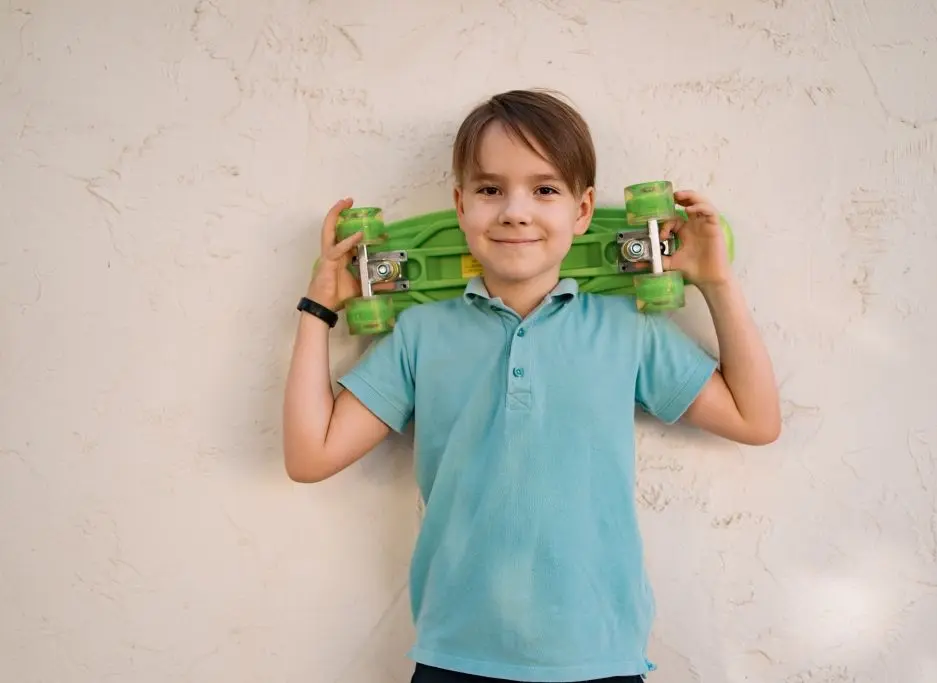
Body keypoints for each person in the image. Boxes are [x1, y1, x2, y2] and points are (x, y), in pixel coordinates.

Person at [283, 89, 780, 683]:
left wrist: (716, 284)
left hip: (600, 656)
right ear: (460, 204)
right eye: (491, 189)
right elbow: (310, 455)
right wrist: (318, 308)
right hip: (455, 656)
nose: (515, 211)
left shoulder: (628, 331)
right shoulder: (422, 335)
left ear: (584, 210)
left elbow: (756, 420)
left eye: (544, 189)